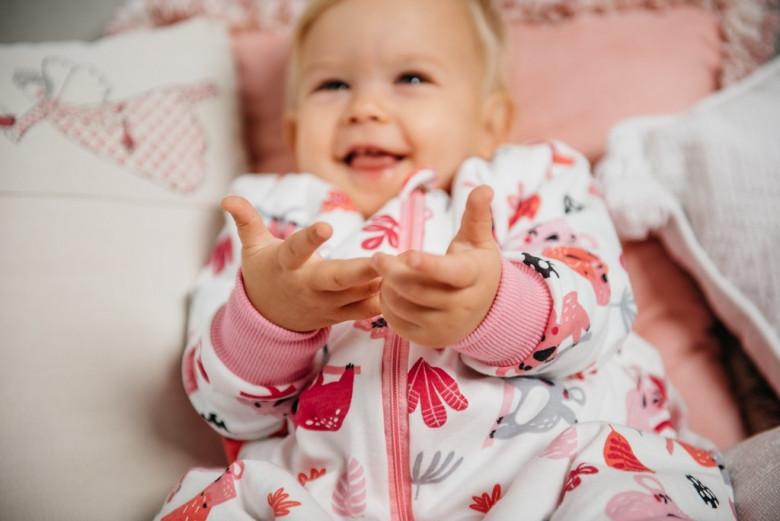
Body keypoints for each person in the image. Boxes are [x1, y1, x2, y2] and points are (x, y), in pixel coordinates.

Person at [156, 0, 735, 519]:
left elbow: (598, 298)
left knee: (625, 488)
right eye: (332, 85)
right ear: (293, 129)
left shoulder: (531, 182)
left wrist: (497, 304)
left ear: (490, 122)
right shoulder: (270, 220)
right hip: (319, 497)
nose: (366, 107)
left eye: (410, 77)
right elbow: (227, 410)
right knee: (216, 501)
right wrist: (272, 318)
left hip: (549, 473)